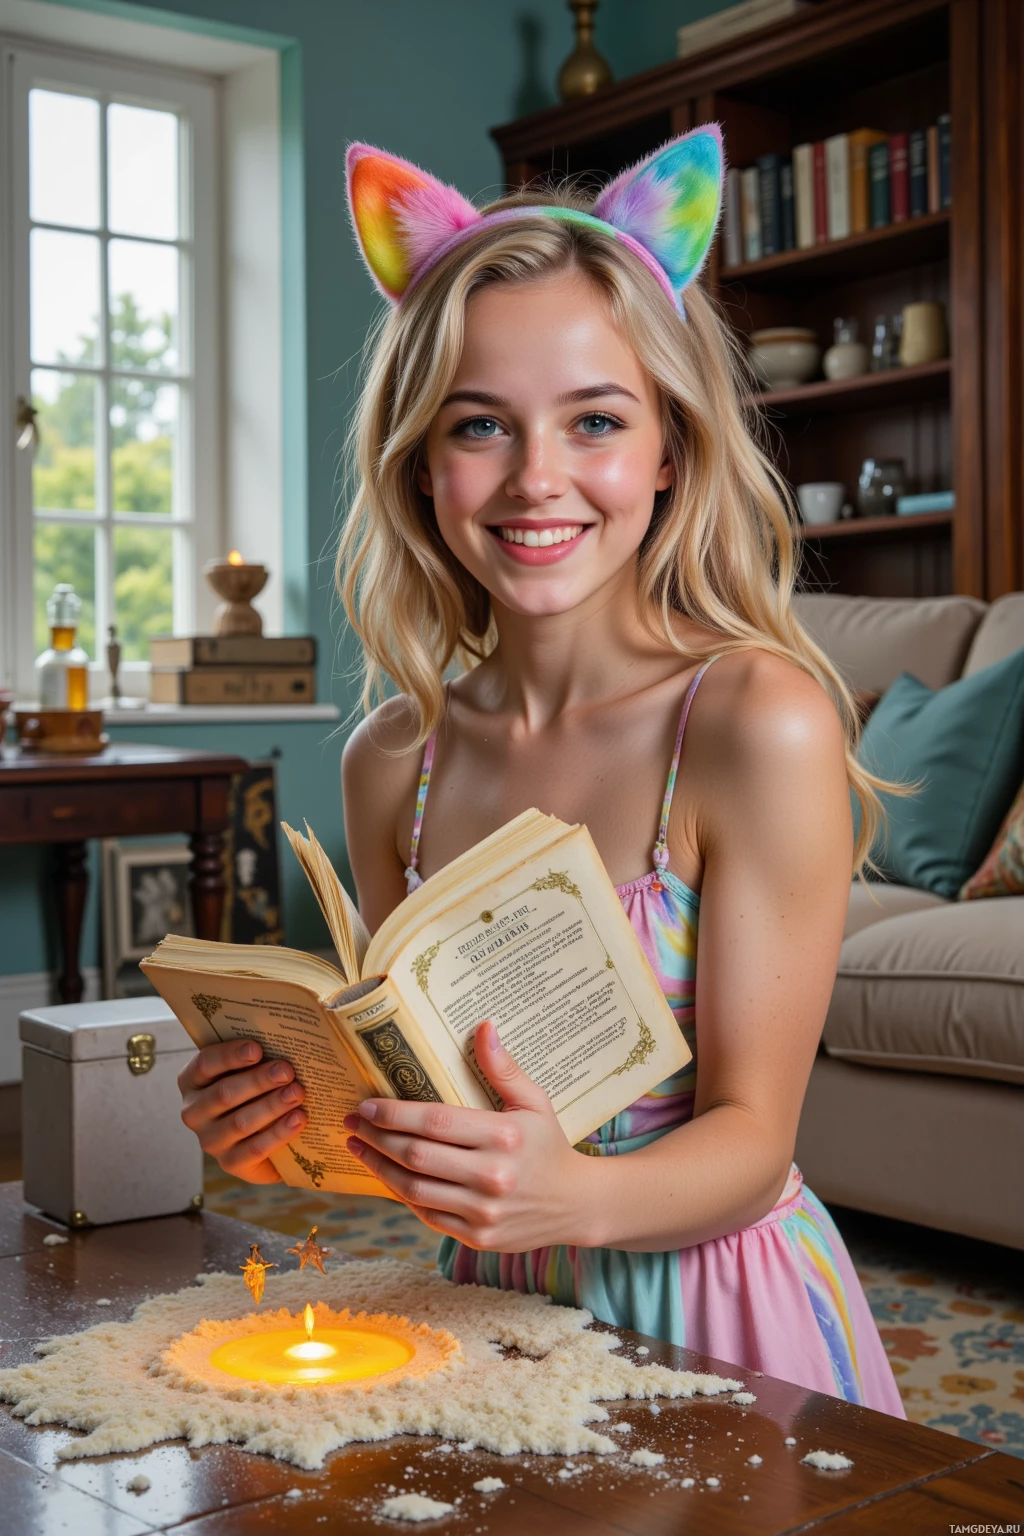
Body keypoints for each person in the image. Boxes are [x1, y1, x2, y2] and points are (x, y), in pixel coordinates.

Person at [177, 128, 905, 1416]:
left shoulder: (750, 720)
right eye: (480, 426)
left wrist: (573, 1193)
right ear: (418, 460)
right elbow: (428, 1107)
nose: (536, 478)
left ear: (671, 449)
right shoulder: (391, 761)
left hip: (719, 1317)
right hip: (491, 1317)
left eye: (597, 421)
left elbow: (753, 1143)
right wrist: (291, 1122)